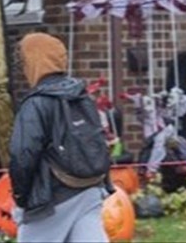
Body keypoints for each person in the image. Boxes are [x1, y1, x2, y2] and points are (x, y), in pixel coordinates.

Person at [9, 32, 111, 243]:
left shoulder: (36, 103)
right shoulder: (83, 96)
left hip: (52, 197)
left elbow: (23, 154)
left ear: (34, 61)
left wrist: (21, 198)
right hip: (90, 188)